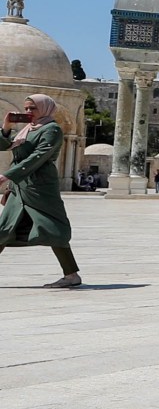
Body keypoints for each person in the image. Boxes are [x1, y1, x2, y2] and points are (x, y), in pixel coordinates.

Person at [0, 96, 82, 287]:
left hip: (40, 187)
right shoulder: (27, 130)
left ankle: (71, 275)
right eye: (26, 108)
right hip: (20, 187)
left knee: (54, 228)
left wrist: (8, 176)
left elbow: (39, 156)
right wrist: (6, 127)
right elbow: (3, 146)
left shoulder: (52, 130)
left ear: (45, 109)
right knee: (4, 228)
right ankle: (71, 275)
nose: (28, 112)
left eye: (33, 108)